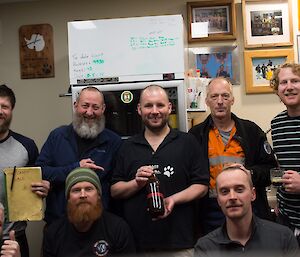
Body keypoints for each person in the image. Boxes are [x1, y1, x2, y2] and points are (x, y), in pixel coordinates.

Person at [111, 85, 209, 256]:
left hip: (181, 243)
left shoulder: (188, 142)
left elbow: (201, 186)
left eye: (160, 105)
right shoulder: (127, 147)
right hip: (137, 245)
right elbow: (115, 190)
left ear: (169, 108)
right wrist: (136, 183)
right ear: (139, 109)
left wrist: (172, 200)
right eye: (148, 106)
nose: (154, 111)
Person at [189, 77, 277, 235]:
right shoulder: (195, 136)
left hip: (248, 208)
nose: (220, 101)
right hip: (210, 212)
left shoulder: (251, 131)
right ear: (207, 101)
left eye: (225, 96)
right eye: (214, 97)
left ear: (232, 100)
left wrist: (249, 174)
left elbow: (270, 170)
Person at [36, 86, 122, 225]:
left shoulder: (114, 142)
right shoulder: (57, 136)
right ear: (76, 106)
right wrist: (76, 168)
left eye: (95, 107)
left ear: (103, 109)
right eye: (85, 106)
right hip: (59, 223)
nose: (89, 112)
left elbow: (118, 184)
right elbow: (40, 172)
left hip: (99, 224)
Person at [194, 165, 299, 257]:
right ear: (218, 200)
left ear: (253, 194)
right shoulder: (206, 247)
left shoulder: (283, 238)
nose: (232, 197)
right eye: (224, 191)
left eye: (239, 190)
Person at [0, 84, 49, 257]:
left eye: (4, 106)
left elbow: (36, 186)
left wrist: (42, 189)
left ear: (11, 110)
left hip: (15, 237)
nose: (0, 111)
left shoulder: (27, 146)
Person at [43, 167, 135, 257]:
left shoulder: (118, 229)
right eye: (76, 190)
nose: (83, 195)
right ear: (68, 198)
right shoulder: (53, 233)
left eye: (89, 189)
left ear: (98, 195)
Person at [270, 63, 300, 244]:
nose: (289, 87)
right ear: (277, 89)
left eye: (295, 81)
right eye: (283, 82)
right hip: (287, 222)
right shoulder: (277, 124)